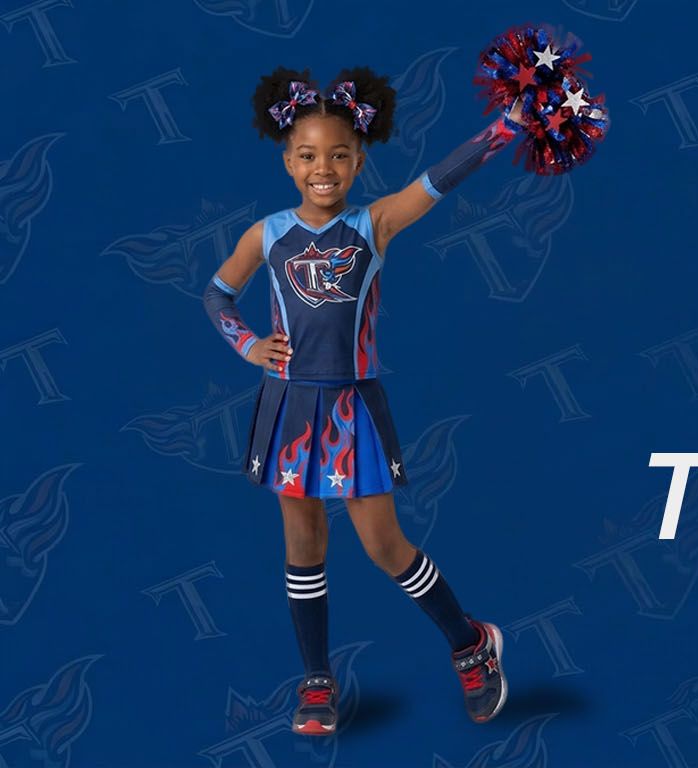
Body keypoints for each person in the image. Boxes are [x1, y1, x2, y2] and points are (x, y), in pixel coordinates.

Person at [201, 66, 515, 734]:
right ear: (289, 162)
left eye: (338, 155)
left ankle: (470, 643)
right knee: (303, 541)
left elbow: (436, 180)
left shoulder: (373, 226)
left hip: (350, 409)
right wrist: (247, 346)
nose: (324, 167)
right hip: (288, 409)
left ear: (358, 159)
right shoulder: (267, 233)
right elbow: (216, 292)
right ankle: (317, 680)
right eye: (309, 156)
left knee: (382, 543)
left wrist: (505, 128)